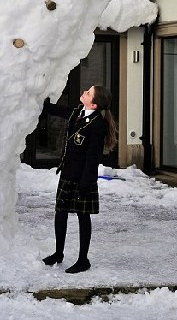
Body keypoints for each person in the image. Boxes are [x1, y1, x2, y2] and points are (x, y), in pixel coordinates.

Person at [42, 85, 118, 274]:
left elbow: (93, 157)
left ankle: (83, 260)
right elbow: (58, 111)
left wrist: (86, 182)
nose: (84, 91)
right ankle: (58, 253)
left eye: (88, 92)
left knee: (83, 217)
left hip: (83, 178)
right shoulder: (77, 112)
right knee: (60, 212)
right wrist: (42, 102)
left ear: (93, 104)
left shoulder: (98, 125)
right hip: (68, 173)